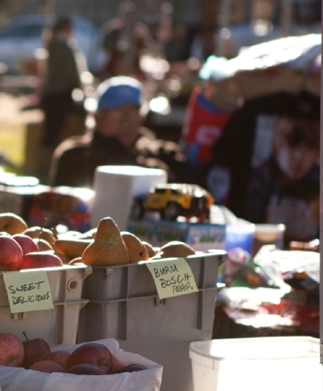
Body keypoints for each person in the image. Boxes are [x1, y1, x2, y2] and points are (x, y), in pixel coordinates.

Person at [205, 90, 320, 242]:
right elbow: (222, 155)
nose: (298, 156)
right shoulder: (258, 107)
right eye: (291, 143)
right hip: (245, 246)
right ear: (277, 141)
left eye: (310, 147)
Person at [49, 76, 188, 189]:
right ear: (96, 116)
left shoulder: (163, 154)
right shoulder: (76, 155)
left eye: (132, 112)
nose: (125, 120)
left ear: (142, 116)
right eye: (116, 112)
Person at [40, 16, 87, 151]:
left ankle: (44, 165)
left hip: (51, 95)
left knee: (50, 134)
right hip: (59, 96)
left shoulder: (53, 43)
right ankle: (47, 166)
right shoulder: (63, 46)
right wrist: (80, 87)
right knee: (52, 135)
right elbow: (71, 72)